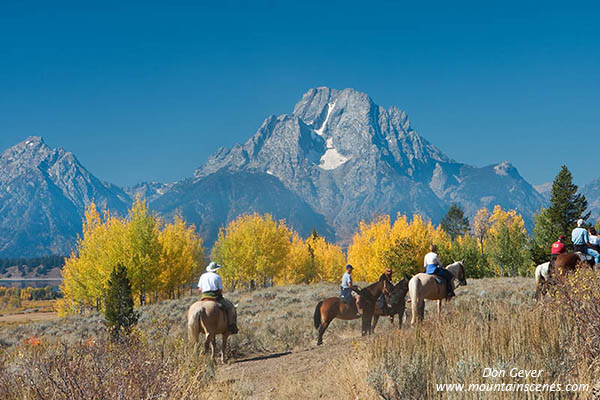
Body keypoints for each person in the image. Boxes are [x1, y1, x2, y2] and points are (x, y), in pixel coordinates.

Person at [197, 262, 238, 334]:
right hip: (215, 297)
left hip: (204, 297)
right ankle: (231, 326)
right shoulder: (217, 277)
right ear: (216, 269)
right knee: (230, 307)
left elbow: (200, 289)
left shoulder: (203, 276)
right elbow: (220, 290)